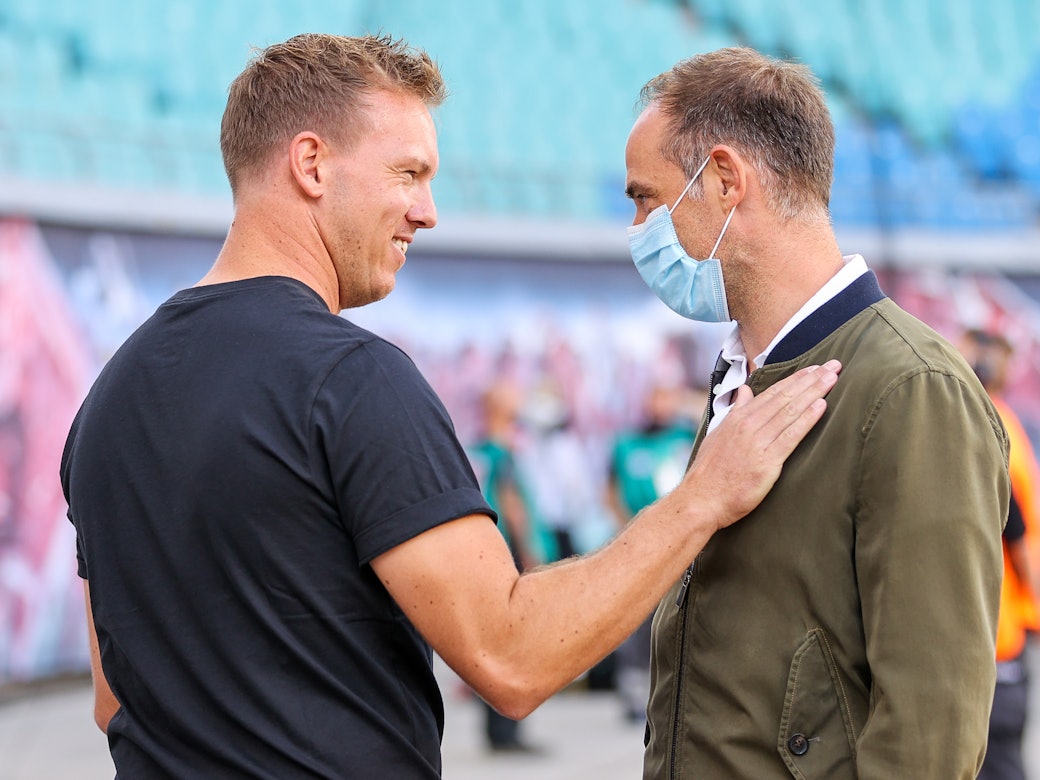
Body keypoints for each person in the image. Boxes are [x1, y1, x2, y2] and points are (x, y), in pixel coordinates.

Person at [59, 34, 841, 778]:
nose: (428, 210)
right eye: (408, 173)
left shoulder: (107, 400)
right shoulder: (350, 379)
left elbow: (112, 698)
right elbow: (511, 657)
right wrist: (701, 499)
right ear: (310, 164)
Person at [623, 47, 1010, 779]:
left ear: (727, 181)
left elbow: (931, 733)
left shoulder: (911, 389)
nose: (638, 227)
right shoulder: (746, 372)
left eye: (647, 198)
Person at [960, 328, 1040, 780]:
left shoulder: (990, 423)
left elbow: (1018, 530)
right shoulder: (998, 418)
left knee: (996, 760)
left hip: (997, 632)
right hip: (997, 630)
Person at [604, 381, 699, 723]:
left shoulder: (685, 436)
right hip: (639, 543)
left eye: (666, 397)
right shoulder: (625, 444)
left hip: (679, 543)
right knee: (637, 620)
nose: (660, 404)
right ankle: (632, 694)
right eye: (655, 396)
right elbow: (610, 491)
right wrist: (629, 530)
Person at [466, 380, 545, 752]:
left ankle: (495, 731)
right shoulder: (502, 453)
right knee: (513, 641)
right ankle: (509, 732)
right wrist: (530, 552)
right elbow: (513, 507)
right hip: (506, 551)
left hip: (479, 552)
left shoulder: (475, 449)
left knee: (488, 641)